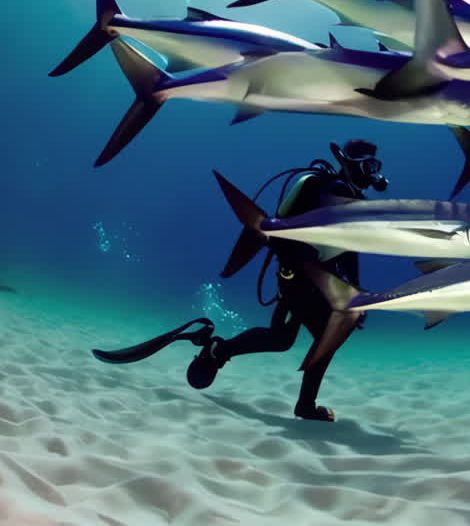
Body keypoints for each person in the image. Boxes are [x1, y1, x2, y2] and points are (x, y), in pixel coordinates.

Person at [92, 140, 388, 421]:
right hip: (297, 277)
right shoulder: (319, 186)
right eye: (368, 165)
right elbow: (283, 233)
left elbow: (349, 253)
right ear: (346, 162)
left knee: (280, 339)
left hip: (312, 281)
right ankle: (305, 406)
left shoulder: (356, 204)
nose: (372, 173)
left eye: (375, 166)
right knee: (327, 335)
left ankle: (217, 351)